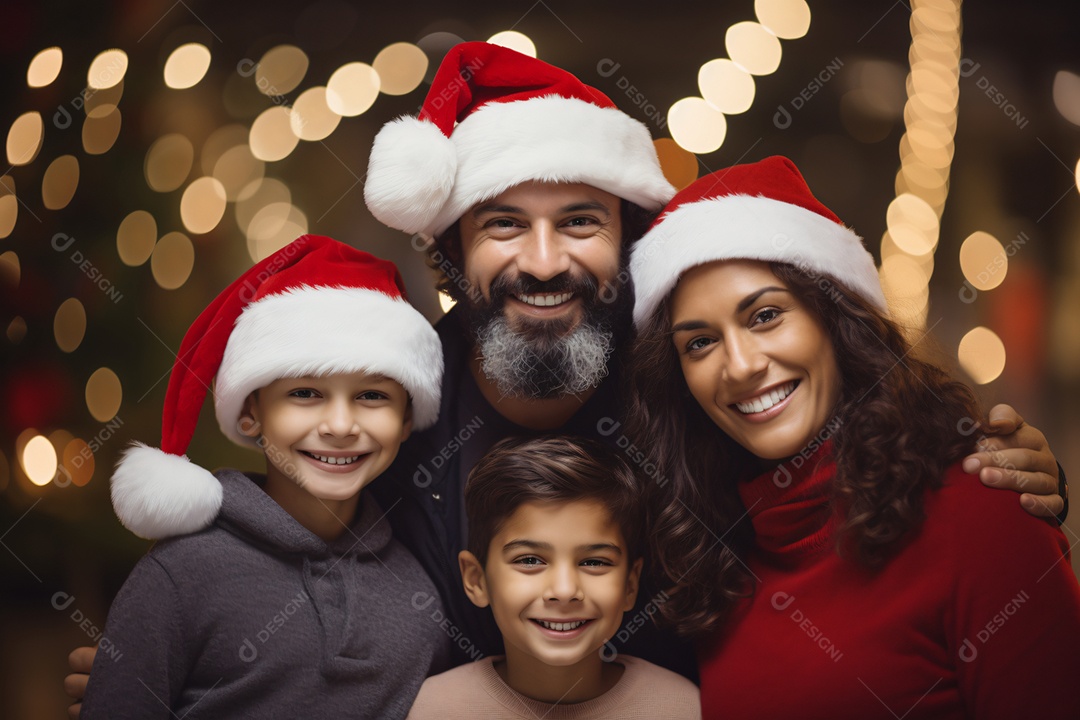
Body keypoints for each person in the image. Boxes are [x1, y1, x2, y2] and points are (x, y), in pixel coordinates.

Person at [65, 43, 1067, 710]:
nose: (543, 262)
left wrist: (990, 474)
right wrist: (175, 654)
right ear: (451, 251)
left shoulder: (694, 385)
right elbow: (296, 530)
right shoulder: (396, 407)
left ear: (624, 240)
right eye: (504, 224)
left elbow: (845, 476)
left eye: (579, 222)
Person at [625, 156, 1080, 718]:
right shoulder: (707, 557)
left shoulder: (980, 507)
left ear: (835, 320)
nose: (740, 366)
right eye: (699, 343)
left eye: (765, 316)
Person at [79, 235, 449, 719]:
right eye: (305, 393)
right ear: (251, 412)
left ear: (406, 418)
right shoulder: (180, 577)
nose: (340, 426)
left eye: (372, 396)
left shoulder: (421, 598)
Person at [407, 436, 700, 719]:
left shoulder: (682, 708)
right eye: (529, 560)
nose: (564, 590)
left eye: (594, 562)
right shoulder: (435, 708)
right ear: (477, 579)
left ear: (630, 585)